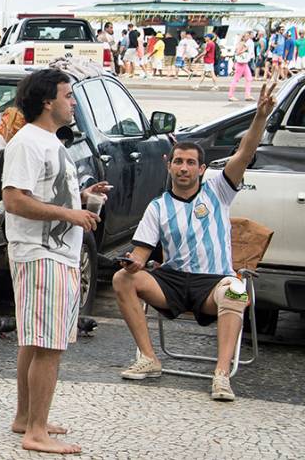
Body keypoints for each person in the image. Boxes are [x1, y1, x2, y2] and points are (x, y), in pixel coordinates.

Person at [113, 81, 276, 401]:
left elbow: (244, 153)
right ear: (168, 164)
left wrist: (259, 118)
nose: (184, 168)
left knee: (236, 288)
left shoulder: (218, 188)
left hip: (212, 283)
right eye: (178, 161)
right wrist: (133, 262)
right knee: (122, 279)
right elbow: (142, 254)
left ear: (202, 168)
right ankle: (148, 358)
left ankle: (221, 375)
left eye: (191, 163)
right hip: (172, 282)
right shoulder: (158, 206)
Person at [2, 69, 107, 455]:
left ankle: (25, 418)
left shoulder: (48, 142)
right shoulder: (28, 142)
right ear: (48, 102)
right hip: (42, 255)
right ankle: (36, 432)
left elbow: (46, 192)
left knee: (35, 340)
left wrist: (80, 197)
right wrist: (70, 215)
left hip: (52, 253)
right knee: (49, 345)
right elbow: (14, 200)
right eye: (69, 95)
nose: (74, 102)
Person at [228, 31, 255, 101]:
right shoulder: (242, 44)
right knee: (236, 79)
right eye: (246, 36)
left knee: (249, 78)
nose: (248, 37)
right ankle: (231, 95)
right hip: (241, 64)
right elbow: (237, 53)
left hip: (244, 63)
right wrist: (245, 50)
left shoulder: (244, 43)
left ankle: (247, 95)